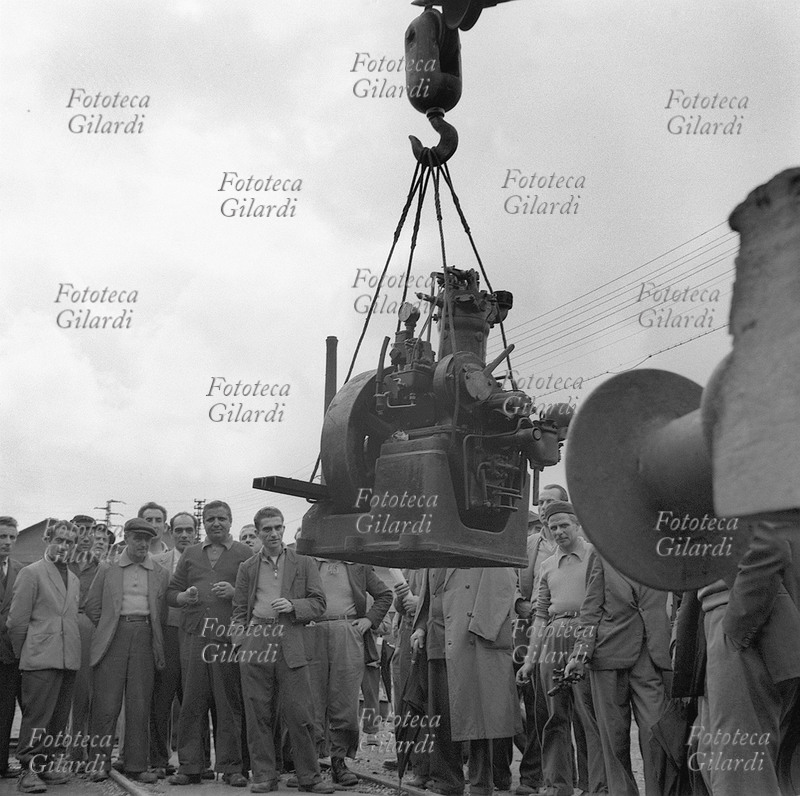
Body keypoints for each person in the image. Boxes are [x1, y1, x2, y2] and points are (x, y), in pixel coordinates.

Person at [232, 506, 334, 794]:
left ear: (284, 529)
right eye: (267, 529)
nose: (273, 533)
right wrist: (240, 644)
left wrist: (293, 606)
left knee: (299, 712)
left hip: (291, 639)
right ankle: (264, 775)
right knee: (257, 712)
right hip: (257, 639)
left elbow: (319, 603)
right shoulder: (247, 567)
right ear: (258, 532)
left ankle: (309, 777)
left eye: (278, 527)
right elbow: (239, 610)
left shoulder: (303, 562)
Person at [517, 500, 606, 796]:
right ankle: (557, 785)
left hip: (585, 633)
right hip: (553, 634)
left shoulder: (595, 555)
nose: (558, 532)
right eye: (553, 527)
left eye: (564, 525)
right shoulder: (546, 564)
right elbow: (540, 613)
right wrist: (530, 660)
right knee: (553, 715)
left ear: (577, 525)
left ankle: (593, 786)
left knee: (586, 714)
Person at [564, 551, 671, 796]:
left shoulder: (664, 552)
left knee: (656, 733)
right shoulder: (602, 555)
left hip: (651, 655)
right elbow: (590, 609)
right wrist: (580, 654)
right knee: (615, 740)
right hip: (608, 655)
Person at [411, 567, 520, 796]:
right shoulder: (436, 552)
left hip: (469, 639)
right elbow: (429, 593)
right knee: (440, 715)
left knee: (477, 718)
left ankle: (481, 785)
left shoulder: (481, 541)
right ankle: (447, 782)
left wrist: (482, 629)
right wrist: (420, 627)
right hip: (437, 640)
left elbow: (503, 583)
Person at [166, 500, 252, 787]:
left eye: (222, 518)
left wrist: (235, 591)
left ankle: (231, 766)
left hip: (228, 638)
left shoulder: (245, 553)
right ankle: (190, 766)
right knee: (192, 701)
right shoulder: (190, 553)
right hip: (194, 636)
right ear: (204, 524)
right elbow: (171, 592)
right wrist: (183, 596)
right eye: (211, 519)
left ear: (230, 521)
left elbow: (257, 592)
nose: (216, 523)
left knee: (228, 703)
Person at [84, 517, 170, 783]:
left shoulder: (159, 571)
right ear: (127, 539)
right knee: (106, 703)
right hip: (114, 636)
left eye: (148, 539)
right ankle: (99, 763)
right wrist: (111, 625)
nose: (143, 544)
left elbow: (163, 611)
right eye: (137, 538)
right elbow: (92, 606)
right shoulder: (107, 567)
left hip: (145, 637)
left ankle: (135, 765)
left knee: (140, 702)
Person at [8, 519, 82, 793]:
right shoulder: (31, 573)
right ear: (47, 540)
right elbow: (16, 622)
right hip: (40, 657)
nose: (63, 546)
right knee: (36, 717)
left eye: (69, 542)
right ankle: (27, 771)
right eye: (59, 540)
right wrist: (26, 653)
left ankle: (46, 765)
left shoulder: (73, 579)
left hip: (68, 657)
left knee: (58, 718)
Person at [308, 557, 392, 785]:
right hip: (313, 631)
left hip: (347, 630)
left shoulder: (358, 565)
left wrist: (368, 620)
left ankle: (339, 761)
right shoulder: (308, 562)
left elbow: (385, 595)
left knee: (345, 699)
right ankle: (310, 764)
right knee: (312, 700)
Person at [149, 512, 199, 777]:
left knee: (193, 699)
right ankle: (158, 760)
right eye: (178, 530)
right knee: (161, 699)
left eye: (188, 530)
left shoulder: (204, 558)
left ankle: (196, 763)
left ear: (195, 531)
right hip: (167, 634)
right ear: (170, 531)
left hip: (194, 634)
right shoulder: (157, 562)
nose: (183, 535)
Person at [511, 509, 556, 796]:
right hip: (527, 627)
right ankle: (524, 771)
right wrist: (519, 603)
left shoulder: (574, 544)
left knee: (546, 703)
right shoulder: (528, 545)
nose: (545, 506)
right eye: (541, 502)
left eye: (551, 501)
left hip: (560, 629)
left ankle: (538, 775)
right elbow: (513, 581)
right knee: (519, 696)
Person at [67, 514, 101, 756]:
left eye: (91, 529)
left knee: (84, 691)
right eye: (80, 529)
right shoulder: (59, 563)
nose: (86, 535)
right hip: (58, 629)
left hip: (88, 630)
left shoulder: (101, 566)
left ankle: (78, 752)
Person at [0, 517, 23, 780]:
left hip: (12, 651)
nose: (7, 542)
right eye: (2, 536)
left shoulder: (20, 569)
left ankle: (3, 764)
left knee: (6, 709)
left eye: (11, 537)